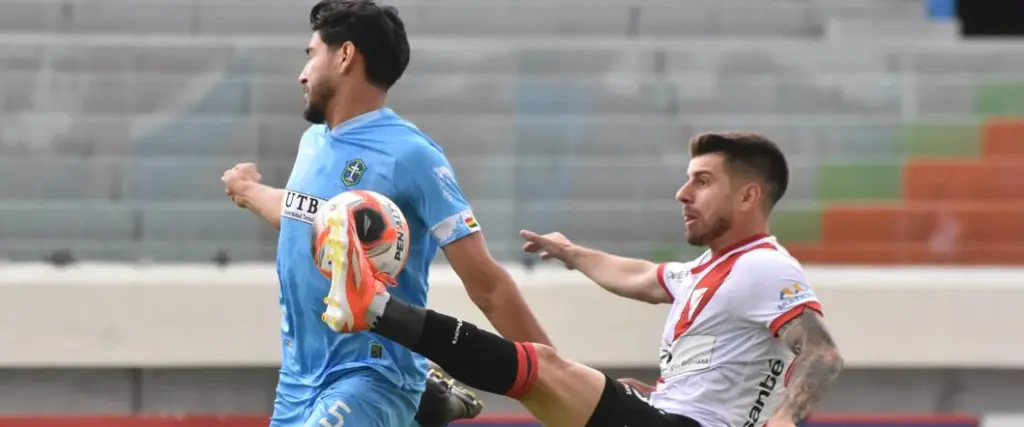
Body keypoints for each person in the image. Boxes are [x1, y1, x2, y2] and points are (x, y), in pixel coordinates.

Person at [320, 132, 846, 427]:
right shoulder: (707, 268)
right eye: (687, 181)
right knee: (548, 382)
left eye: (702, 182)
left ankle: (375, 309)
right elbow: (640, 276)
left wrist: (782, 425)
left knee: (545, 369)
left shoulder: (766, 267)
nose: (683, 194)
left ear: (750, 197)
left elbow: (821, 355)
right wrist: (572, 253)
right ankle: (430, 404)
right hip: (665, 415)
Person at [221, 1, 553, 426]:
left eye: (311, 55)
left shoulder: (411, 156)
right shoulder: (313, 142)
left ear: (344, 56)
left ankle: (419, 393)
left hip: (371, 377)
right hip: (298, 381)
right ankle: (429, 404)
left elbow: (487, 284)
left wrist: (563, 380)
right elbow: (303, 217)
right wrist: (248, 190)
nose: (301, 74)